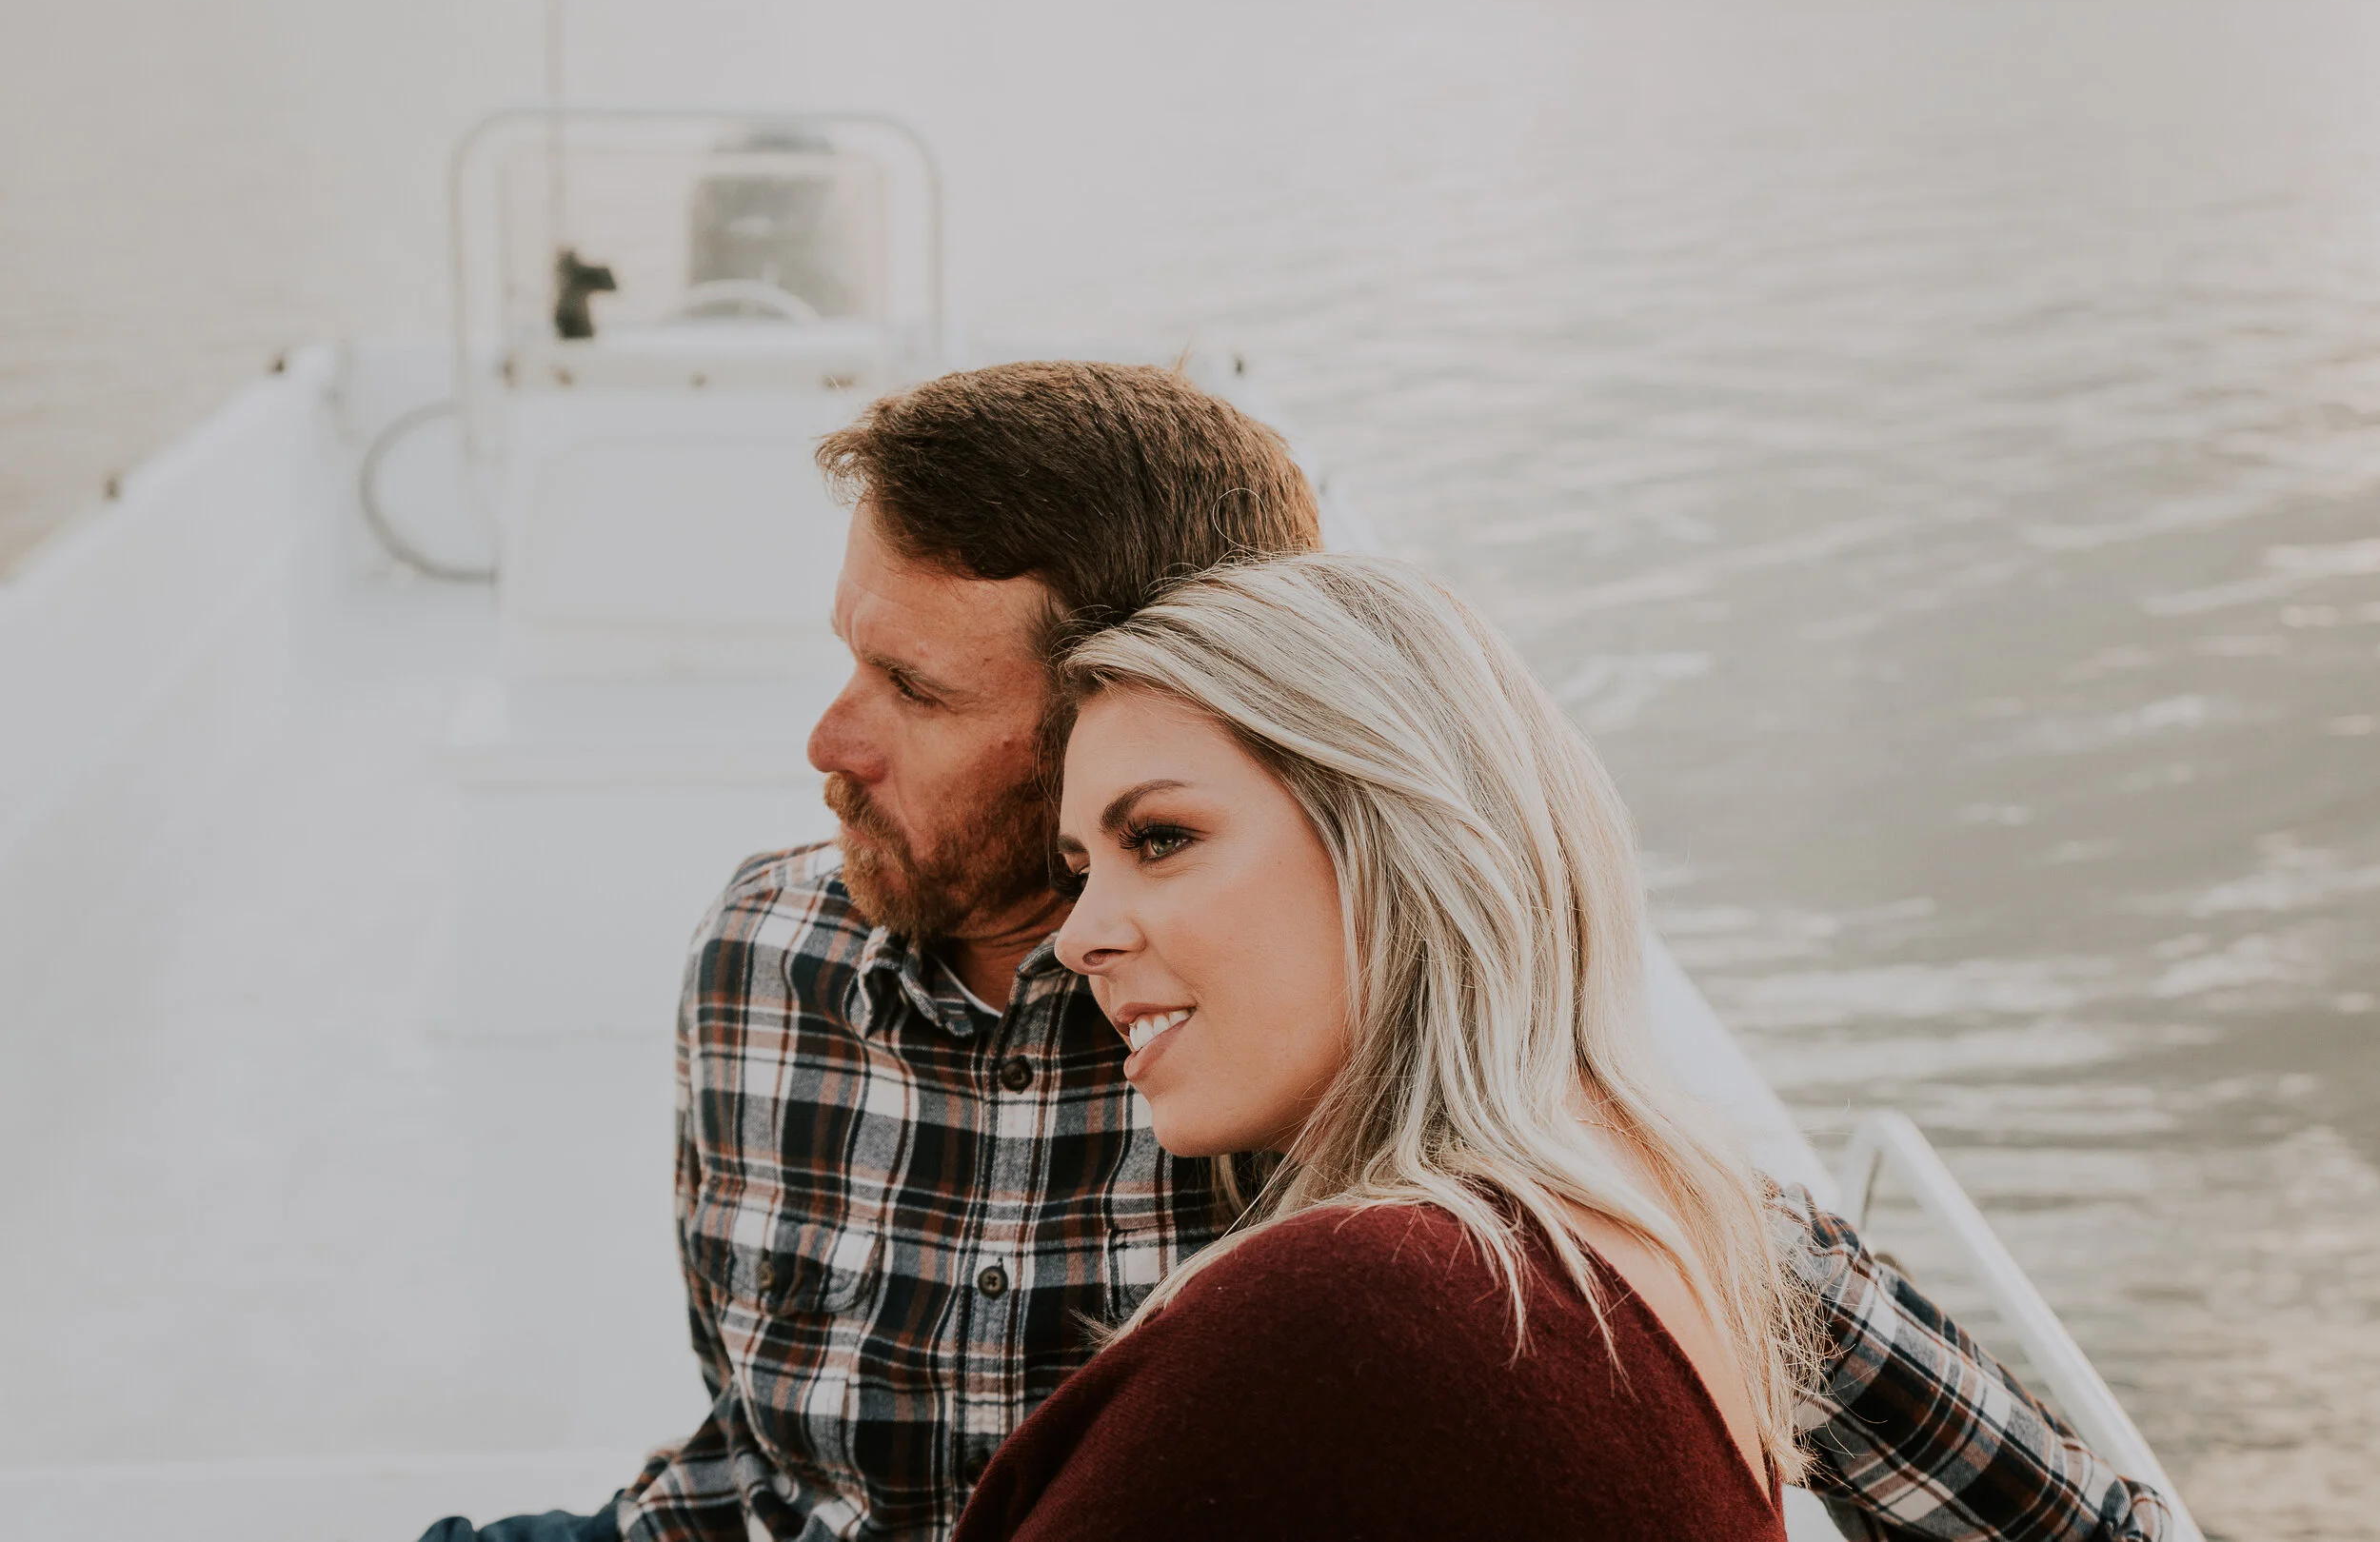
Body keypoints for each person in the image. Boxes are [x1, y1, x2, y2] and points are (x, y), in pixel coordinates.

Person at [420, 362, 2172, 1542]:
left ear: (1157, 695)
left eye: (919, 691)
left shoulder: (1390, 1109)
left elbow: (2058, 1513)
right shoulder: (767, 954)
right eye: (848, 655)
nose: (829, 737)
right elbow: (751, 1454)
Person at [956, 552, 1810, 1539]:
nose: (1077, 937)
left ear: (1395, 836)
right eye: (1079, 871)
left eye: (1157, 837)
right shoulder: (1635, 1245)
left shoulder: (1358, 1308)